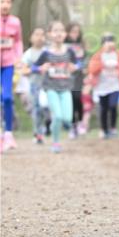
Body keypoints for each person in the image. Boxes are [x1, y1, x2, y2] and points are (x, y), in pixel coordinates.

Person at [33, 20, 80, 153]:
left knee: (68, 119)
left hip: (66, 88)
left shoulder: (69, 51)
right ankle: (55, 142)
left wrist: (75, 67)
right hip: (51, 88)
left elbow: (79, 64)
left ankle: (54, 128)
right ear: (49, 34)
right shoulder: (46, 53)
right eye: (55, 31)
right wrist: (41, 68)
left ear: (65, 34)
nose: (59, 34)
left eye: (61, 31)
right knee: (58, 116)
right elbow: (34, 67)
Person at [88, 34, 119, 139]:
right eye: (107, 42)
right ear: (103, 44)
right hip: (102, 86)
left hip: (115, 85)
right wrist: (103, 65)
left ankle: (113, 128)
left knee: (113, 105)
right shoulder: (98, 55)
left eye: (111, 41)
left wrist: (118, 66)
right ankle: (104, 130)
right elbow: (92, 70)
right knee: (103, 108)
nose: (110, 44)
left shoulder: (118, 54)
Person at [0, 0, 23, 152]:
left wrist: (18, 58)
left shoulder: (15, 22)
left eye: (8, 2)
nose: (5, 5)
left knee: (7, 98)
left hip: (8, 64)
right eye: (2, 2)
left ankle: (8, 133)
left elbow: (18, 41)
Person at [21, 27, 47, 143]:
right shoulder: (28, 54)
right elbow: (23, 70)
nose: (39, 37)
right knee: (37, 108)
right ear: (31, 38)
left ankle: (45, 126)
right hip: (34, 86)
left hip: (48, 85)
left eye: (42, 35)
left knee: (46, 107)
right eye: (36, 34)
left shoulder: (48, 52)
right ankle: (37, 133)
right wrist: (37, 69)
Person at [65, 22, 87, 137]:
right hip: (66, 77)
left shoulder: (81, 45)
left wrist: (78, 67)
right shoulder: (64, 45)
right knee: (71, 100)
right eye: (73, 32)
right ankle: (73, 126)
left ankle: (80, 122)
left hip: (78, 77)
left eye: (77, 32)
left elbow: (84, 60)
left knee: (78, 99)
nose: (75, 34)